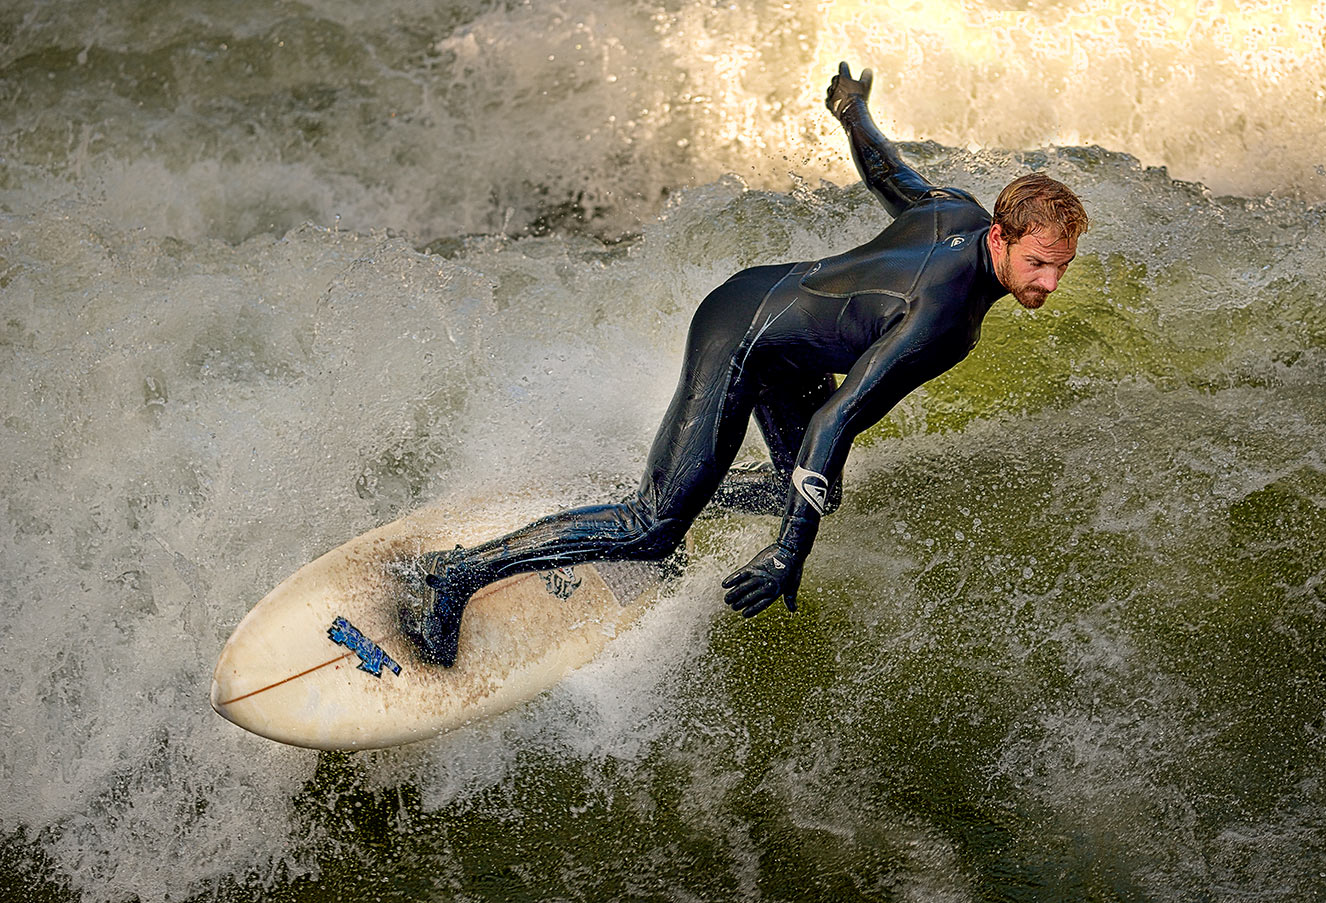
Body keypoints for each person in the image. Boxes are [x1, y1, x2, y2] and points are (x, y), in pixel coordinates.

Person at [404, 62, 1088, 665]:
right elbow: (835, 419)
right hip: (743, 333)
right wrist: (791, 550)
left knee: (802, 488)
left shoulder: (957, 211)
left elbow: (889, 172)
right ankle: (456, 574)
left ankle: (682, 487)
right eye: (1037, 264)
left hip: (782, 325)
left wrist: (851, 109)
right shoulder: (942, 322)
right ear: (1000, 236)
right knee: (652, 531)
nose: (1048, 284)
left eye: (1061, 267)